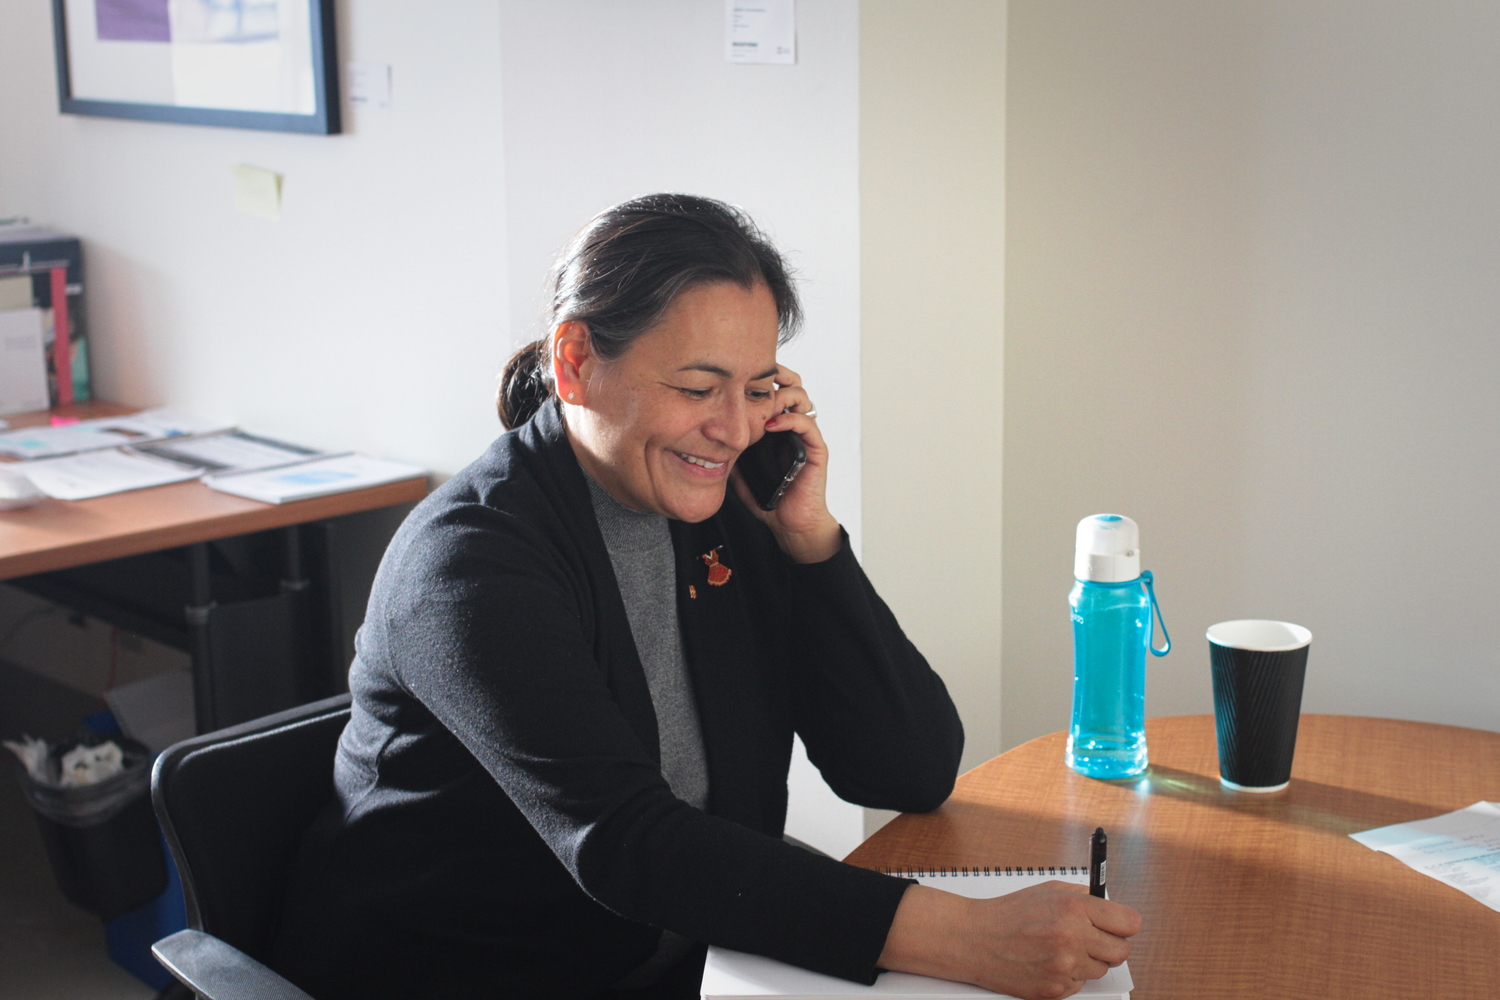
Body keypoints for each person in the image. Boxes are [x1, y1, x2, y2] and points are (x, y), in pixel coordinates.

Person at [273, 194, 1139, 1000]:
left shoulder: (727, 512)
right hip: (471, 973)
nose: (732, 430)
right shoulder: (469, 564)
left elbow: (905, 769)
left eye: (757, 386)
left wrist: (811, 544)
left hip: (690, 951)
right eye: (697, 388)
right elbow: (628, 845)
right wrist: (973, 938)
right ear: (575, 363)